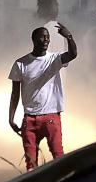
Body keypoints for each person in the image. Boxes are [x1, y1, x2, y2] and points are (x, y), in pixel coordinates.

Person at [7, 24, 78, 170]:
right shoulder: (21, 63)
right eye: (42, 36)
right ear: (34, 39)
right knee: (31, 163)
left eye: (48, 37)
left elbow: (72, 54)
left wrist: (69, 37)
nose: (46, 39)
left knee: (58, 157)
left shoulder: (54, 59)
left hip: (51, 117)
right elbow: (15, 93)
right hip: (30, 119)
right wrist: (11, 117)